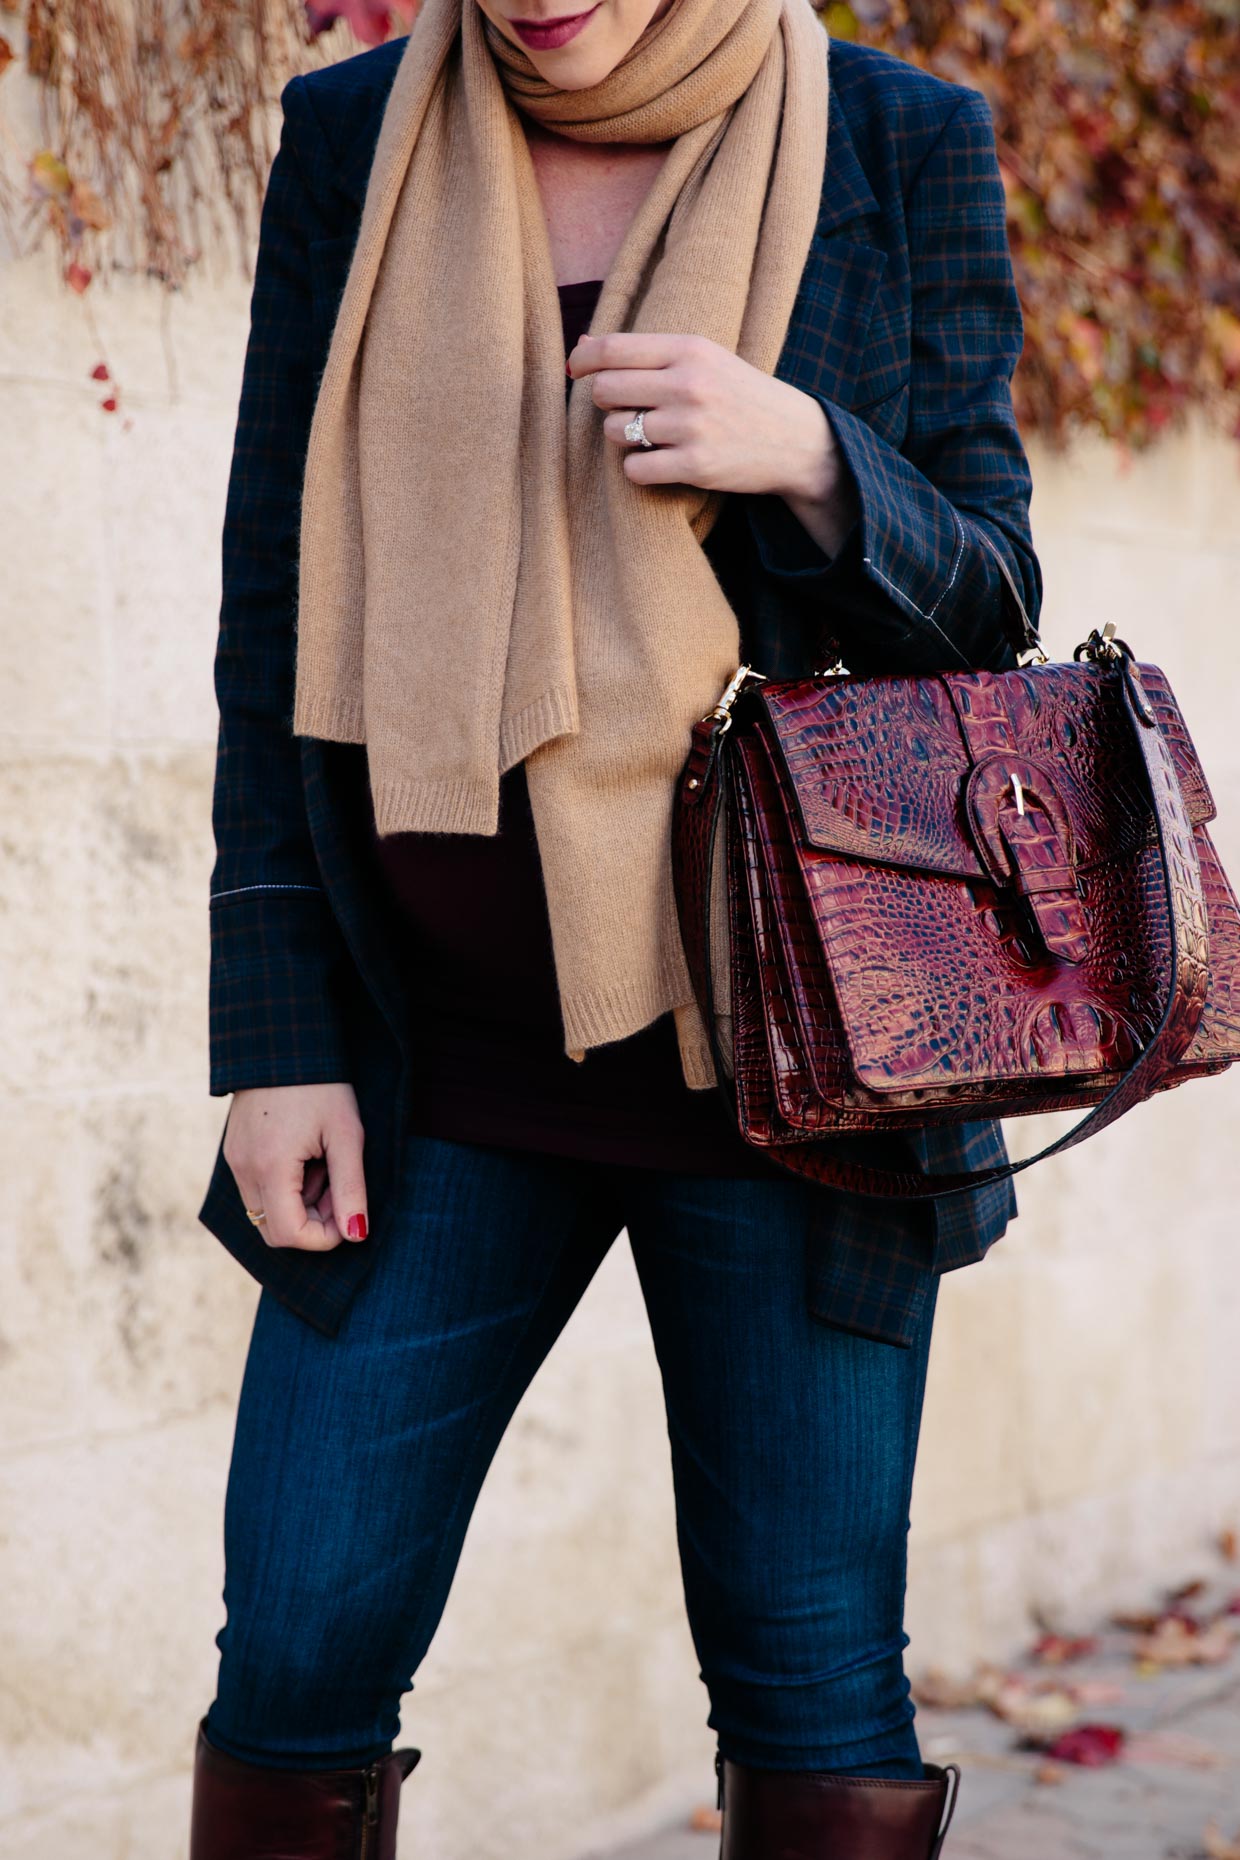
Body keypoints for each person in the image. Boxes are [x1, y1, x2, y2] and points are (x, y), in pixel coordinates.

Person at [189, 0, 1041, 1847]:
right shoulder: (357, 139)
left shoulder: (903, 138)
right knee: (298, 1649)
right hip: (431, 1071)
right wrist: (274, 1036)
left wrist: (815, 455)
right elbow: (276, 601)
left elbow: (992, 603)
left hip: (797, 1075)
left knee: (810, 1667)